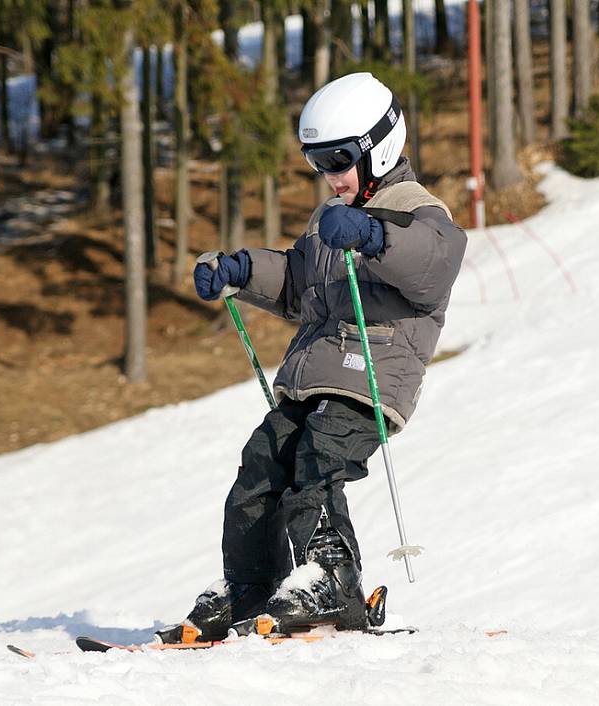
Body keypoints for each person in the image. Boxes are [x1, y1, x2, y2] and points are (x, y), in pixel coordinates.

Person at [167, 72, 467, 642]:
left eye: (338, 160)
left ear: (379, 148)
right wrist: (242, 270)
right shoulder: (329, 218)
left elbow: (431, 268)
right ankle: (252, 588)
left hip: (371, 377)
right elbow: (298, 284)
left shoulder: (419, 211)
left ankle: (334, 585)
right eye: (317, 164)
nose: (329, 177)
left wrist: (374, 236)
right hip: (311, 375)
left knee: (317, 463)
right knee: (260, 467)